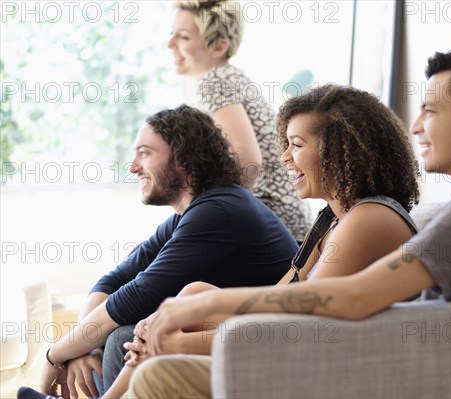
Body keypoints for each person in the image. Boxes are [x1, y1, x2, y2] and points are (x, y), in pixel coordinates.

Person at [115, 43, 451, 398]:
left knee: (160, 372)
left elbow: (353, 297)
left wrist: (199, 309)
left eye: (431, 111)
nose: (417, 126)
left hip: (360, 370)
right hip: (376, 356)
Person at [65, 83, 421, 399]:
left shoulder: (369, 218)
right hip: (293, 346)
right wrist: (179, 316)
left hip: (319, 366)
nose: (284, 158)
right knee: (190, 293)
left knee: (161, 326)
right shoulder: (332, 220)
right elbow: (281, 296)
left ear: (341, 152)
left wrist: (178, 339)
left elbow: (303, 322)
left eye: (296, 145)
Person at [20, 105, 298, 399]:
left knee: (122, 338)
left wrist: (55, 355)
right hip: (224, 338)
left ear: (184, 158)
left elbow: (139, 295)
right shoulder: (191, 214)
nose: (133, 166)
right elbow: (112, 282)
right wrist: (85, 346)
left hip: (261, 348)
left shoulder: (219, 210)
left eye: (145, 153)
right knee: (113, 335)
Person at [168, 0, 312, 241]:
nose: (170, 44)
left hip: (274, 222)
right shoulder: (228, 77)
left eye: (183, 37)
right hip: (286, 221)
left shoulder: (216, 82)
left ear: (218, 46)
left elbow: (248, 163)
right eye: (172, 34)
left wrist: (208, 213)